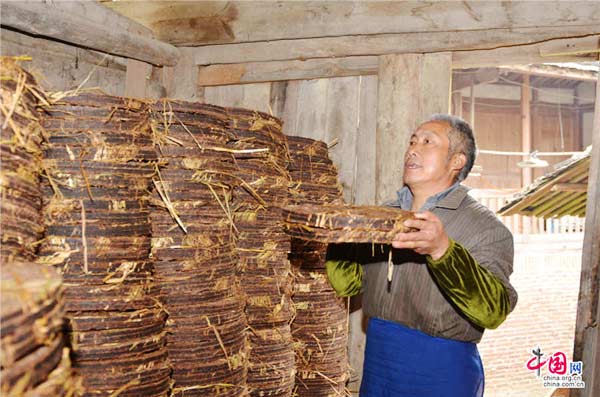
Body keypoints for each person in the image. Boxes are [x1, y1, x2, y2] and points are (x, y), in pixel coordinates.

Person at [325, 114, 518, 397]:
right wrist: (337, 233)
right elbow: (348, 284)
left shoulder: (486, 228)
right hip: (379, 361)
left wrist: (443, 250)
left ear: (457, 161)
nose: (413, 148)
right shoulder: (381, 216)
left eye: (428, 142)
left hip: (441, 369)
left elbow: (494, 311)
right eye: (412, 141)